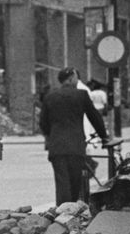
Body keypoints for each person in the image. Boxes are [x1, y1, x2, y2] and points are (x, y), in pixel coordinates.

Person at [39, 67, 109, 205]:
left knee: (62, 183)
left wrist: (52, 135)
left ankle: (62, 214)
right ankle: (71, 212)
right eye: (77, 77)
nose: (78, 80)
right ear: (71, 78)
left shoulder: (50, 97)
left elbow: (43, 123)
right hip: (76, 147)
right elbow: (95, 118)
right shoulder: (81, 95)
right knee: (75, 183)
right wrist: (104, 137)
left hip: (57, 147)